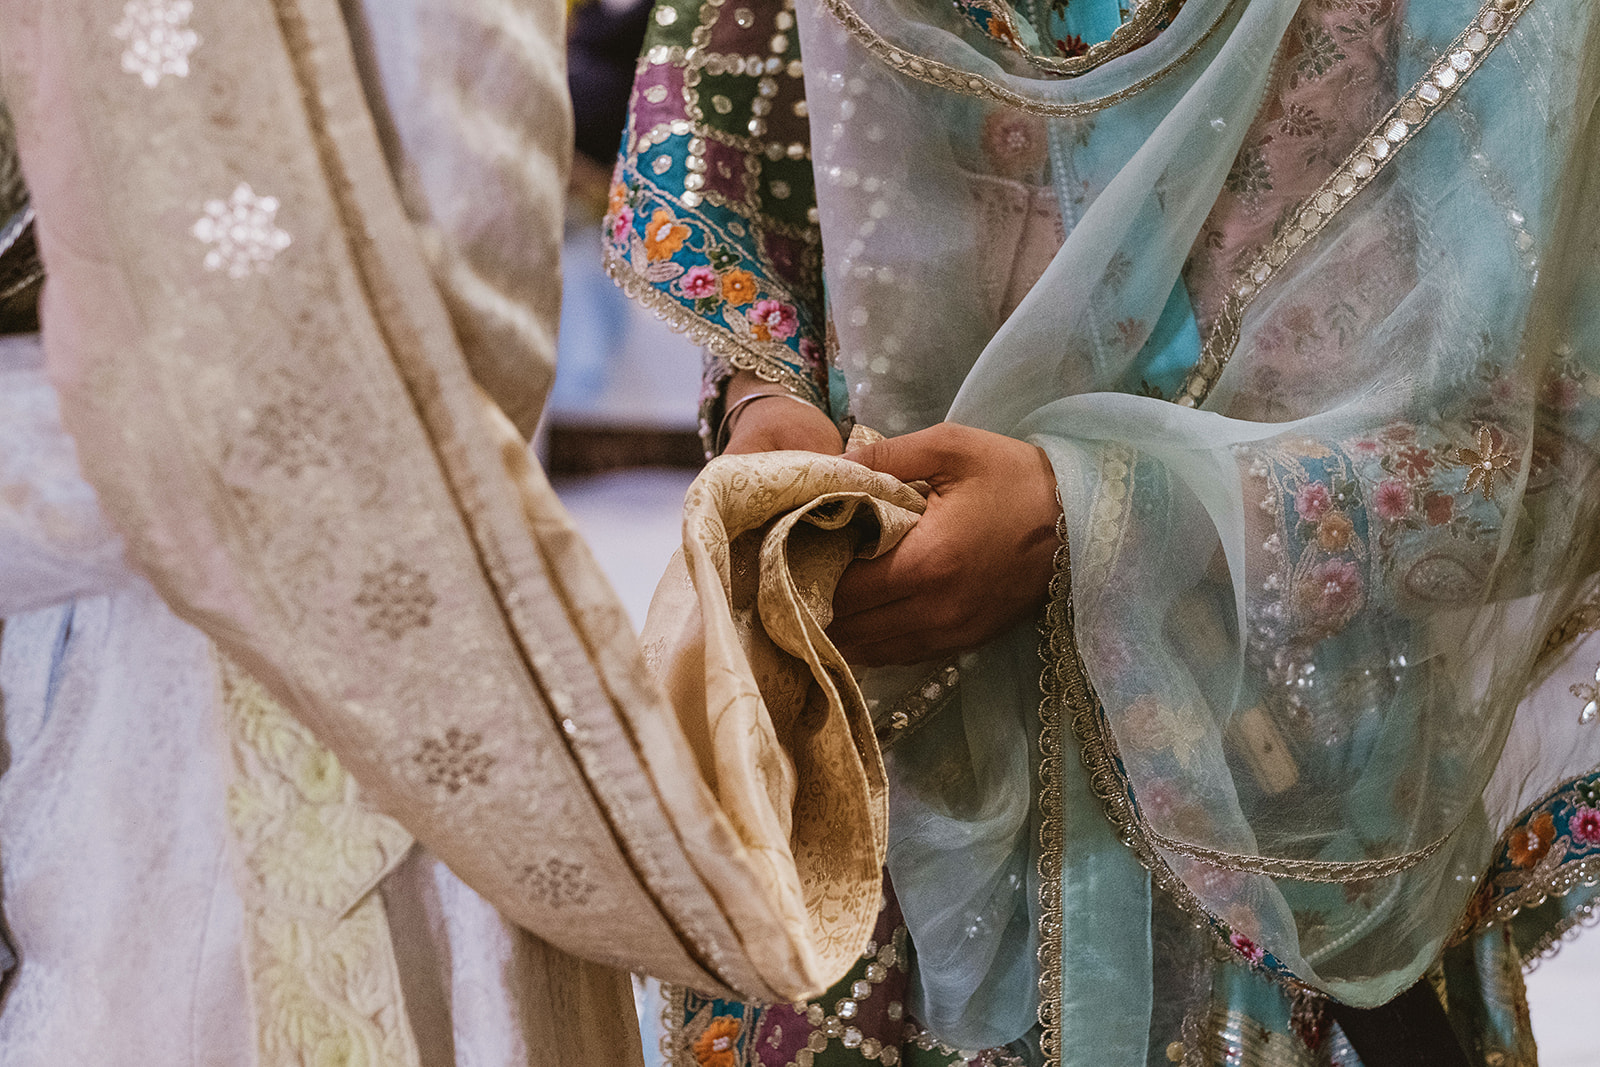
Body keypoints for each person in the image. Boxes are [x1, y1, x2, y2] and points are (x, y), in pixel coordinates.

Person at [607, 0, 1600, 1061]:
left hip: (1268, 796)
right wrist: (774, 419)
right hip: (876, 771)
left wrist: (1113, 517)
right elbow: (748, 166)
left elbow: (1550, 443)